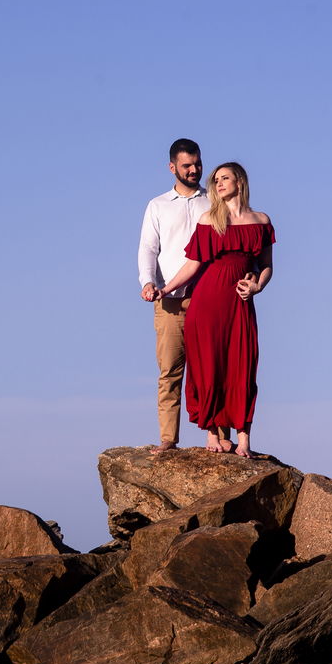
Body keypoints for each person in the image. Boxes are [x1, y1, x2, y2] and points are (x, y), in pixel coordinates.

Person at [156, 162, 274, 458]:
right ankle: (212, 433)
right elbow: (193, 265)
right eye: (216, 180)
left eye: (225, 178)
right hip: (207, 302)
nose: (219, 184)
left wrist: (257, 286)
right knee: (209, 365)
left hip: (240, 303)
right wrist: (165, 290)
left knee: (243, 366)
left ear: (240, 181)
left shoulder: (261, 220)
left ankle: (243, 439)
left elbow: (266, 266)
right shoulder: (209, 220)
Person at [138, 139, 230, 453]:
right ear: (172, 167)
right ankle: (168, 438)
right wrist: (147, 282)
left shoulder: (215, 201)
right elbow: (148, 248)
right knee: (170, 370)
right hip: (170, 300)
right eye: (187, 165)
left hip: (211, 297)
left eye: (197, 164)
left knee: (215, 367)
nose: (194, 170)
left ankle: (221, 435)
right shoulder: (157, 205)